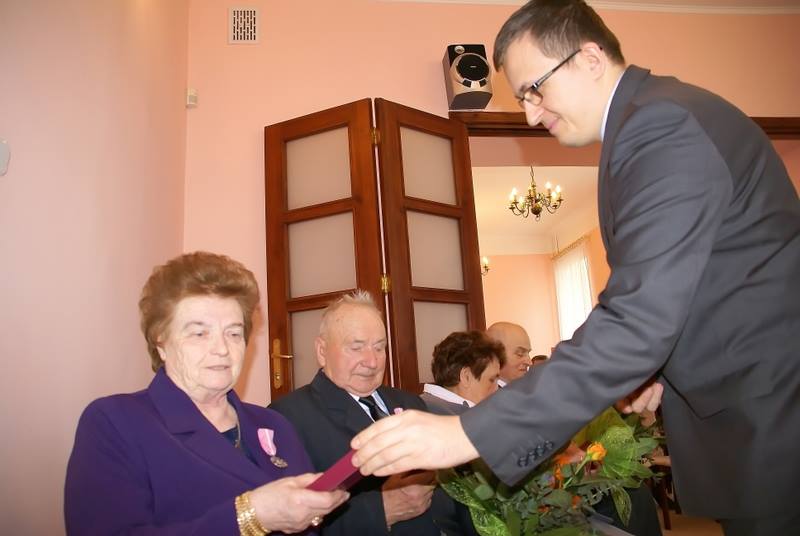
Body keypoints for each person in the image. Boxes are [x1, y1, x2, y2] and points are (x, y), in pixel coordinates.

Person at [351, 2, 800, 534]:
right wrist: (655, 369)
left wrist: (466, 434)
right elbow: (708, 282)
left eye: (534, 90)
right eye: (522, 98)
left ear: (589, 58)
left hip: (774, 417)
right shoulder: (653, 120)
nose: (530, 114)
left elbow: (638, 317)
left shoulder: (661, 126)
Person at [64, 252, 348, 535]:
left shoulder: (274, 424)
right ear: (161, 343)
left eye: (234, 333)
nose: (222, 349)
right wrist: (250, 516)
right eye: (199, 333)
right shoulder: (116, 422)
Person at [270, 290, 475, 536]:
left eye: (380, 348)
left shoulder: (411, 404)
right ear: (322, 351)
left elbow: (456, 494)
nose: (372, 361)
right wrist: (382, 510)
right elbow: (287, 524)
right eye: (356, 348)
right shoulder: (286, 418)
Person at [421, 330, 505, 415]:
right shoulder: (446, 417)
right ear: (466, 377)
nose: (497, 389)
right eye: (491, 380)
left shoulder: (425, 407)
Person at [486, 321, 533, 386]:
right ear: (494, 356)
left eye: (528, 353)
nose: (529, 363)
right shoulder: (487, 392)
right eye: (520, 354)